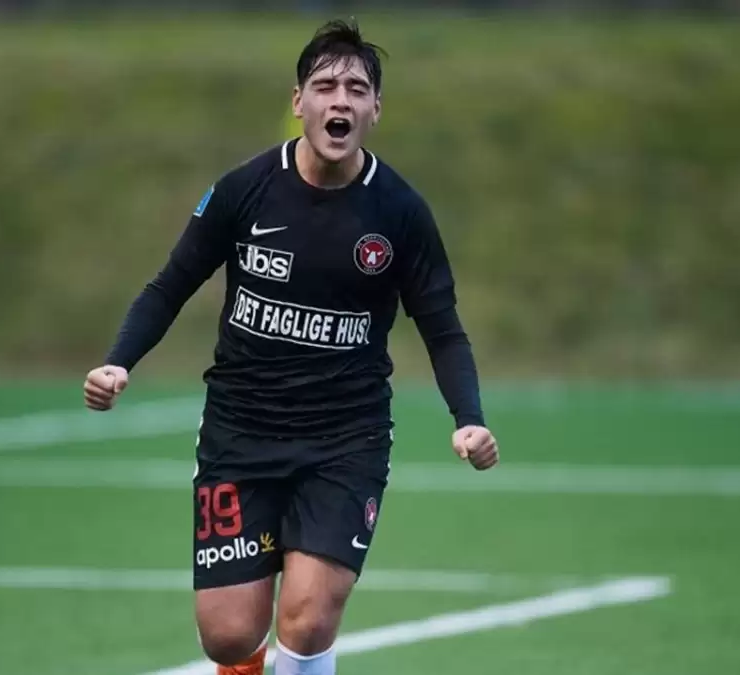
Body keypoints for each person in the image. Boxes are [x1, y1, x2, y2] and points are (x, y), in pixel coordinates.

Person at [83, 19, 498, 675]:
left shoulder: (400, 212)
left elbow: (442, 328)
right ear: (299, 100)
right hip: (240, 434)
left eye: (356, 89)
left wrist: (468, 418)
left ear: (376, 110)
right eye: (325, 86)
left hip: (346, 440)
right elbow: (169, 286)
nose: (340, 100)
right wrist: (118, 361)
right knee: (228, 635)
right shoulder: (244, 190)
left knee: (306, 619)